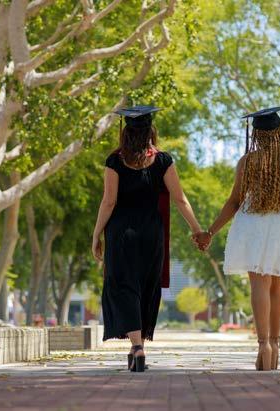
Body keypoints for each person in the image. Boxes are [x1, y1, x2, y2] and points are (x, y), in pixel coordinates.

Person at [195, 106, 280, 371]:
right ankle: (276, 345)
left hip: (252, 224)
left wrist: (210, 232)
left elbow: (234, 202)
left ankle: (263, 345)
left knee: (259, 284)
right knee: (277, 286)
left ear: (256, 134)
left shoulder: (248, 162)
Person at [92, 105, 205, 372]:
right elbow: (180, 199)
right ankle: (139, 345)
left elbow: (109, 202)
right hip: (152, 234)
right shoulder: (164, 160)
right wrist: (197, 230)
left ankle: (137, 347)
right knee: (145, 287)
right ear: (151, 131)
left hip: (121, 234)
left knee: (124, 287)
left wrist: (96, 234)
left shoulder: (114, 161)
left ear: (125, 132)